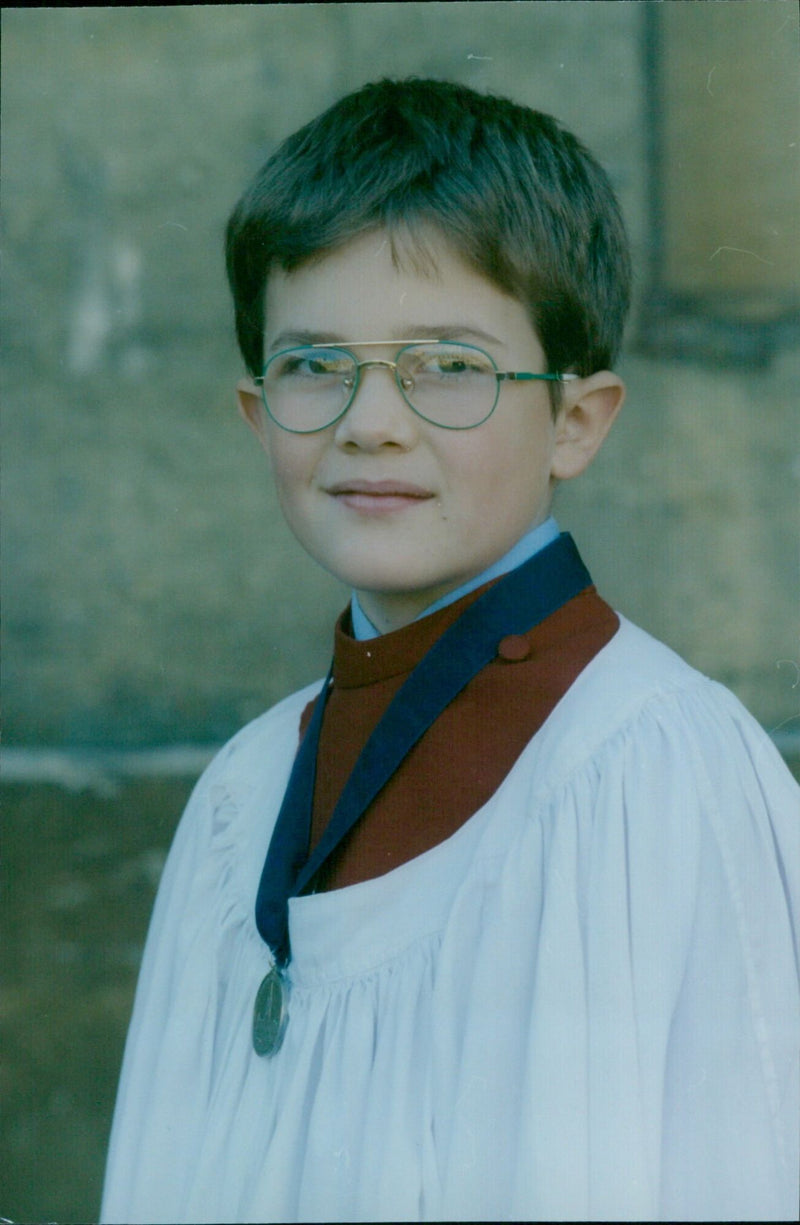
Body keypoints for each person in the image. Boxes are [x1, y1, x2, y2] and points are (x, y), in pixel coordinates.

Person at [101, 78, 799, 1223]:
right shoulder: (246, 790)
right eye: (314, 365)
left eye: (449, 366)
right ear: (254, 413)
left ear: (575, 419)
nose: (371, 420)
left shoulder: (654, 771)